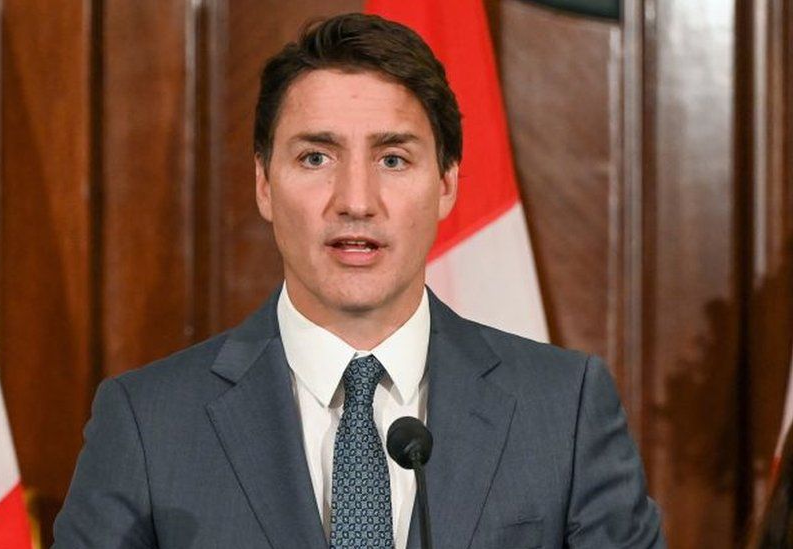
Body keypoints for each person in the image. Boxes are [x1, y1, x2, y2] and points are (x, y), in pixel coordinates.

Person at [53, 13, 665, 548]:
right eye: (315, 157)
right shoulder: (146, 421)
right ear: (264, 183)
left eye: (392, 159)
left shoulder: (564, 408)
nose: (355, 201)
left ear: (447, 183)